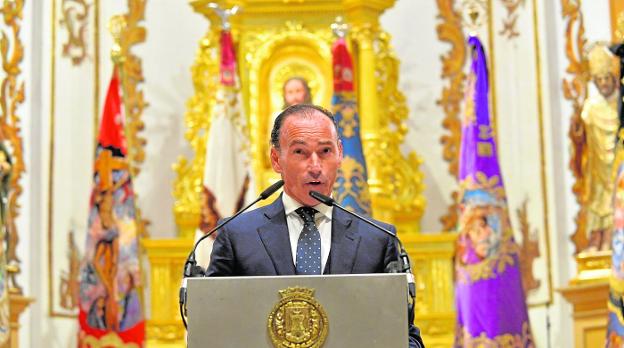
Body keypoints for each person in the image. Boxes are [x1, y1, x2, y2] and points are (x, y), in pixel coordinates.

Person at [206, 104, 424, 347]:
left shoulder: (377, 239)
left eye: (325, 151)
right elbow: (212, 328)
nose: (315, 166)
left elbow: (406, 336)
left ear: (340, 153)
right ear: (276, 159)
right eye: (300, 152)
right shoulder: (237, 235)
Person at [581, 42, 620, 251]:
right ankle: (599, 239)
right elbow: (579, 138)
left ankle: (612, 238)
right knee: (598, 198)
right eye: (600, 80)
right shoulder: (591, 107)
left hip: (617, 163)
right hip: (598, 168)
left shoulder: (620, 105)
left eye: (607, 78)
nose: (604, 83)